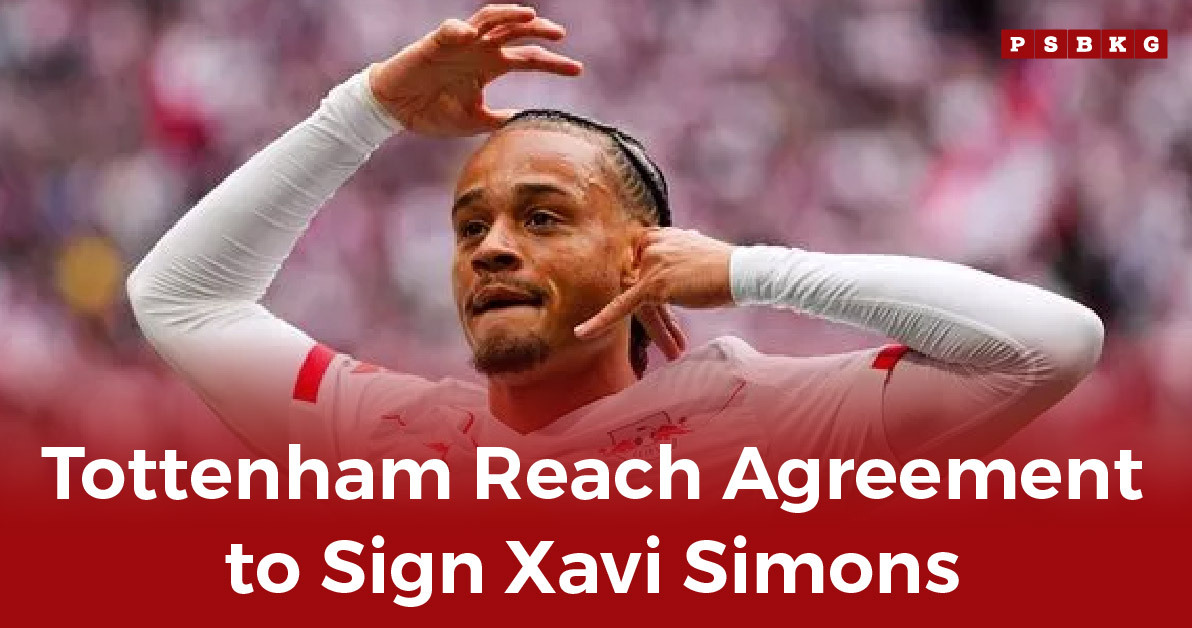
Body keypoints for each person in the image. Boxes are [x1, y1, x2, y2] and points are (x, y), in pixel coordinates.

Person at [127, 5, 1103, 466]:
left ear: (648, 266)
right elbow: (181, 299)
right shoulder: (399, 436)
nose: (491, 247)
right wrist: (361, 114)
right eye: (472, 224)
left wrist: (754, 271)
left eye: (544, 216)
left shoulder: (761, 417)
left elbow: (1050, 346)